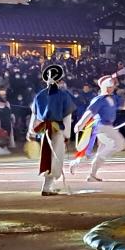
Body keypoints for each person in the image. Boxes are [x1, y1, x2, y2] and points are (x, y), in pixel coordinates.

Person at [70, 74, 125, 182]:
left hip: (107, 126)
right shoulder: (99, 99)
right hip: (101, 126)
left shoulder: (114, 98)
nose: (112, 88)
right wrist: (80, 124)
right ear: (105, 87)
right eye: (110, 86)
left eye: (112, 86)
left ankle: (89, 172)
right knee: (119, 143)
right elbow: (89, 112)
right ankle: (87, 161)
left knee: (104, 149)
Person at [30, 64, 76, 195]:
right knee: (56, 157)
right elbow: (67, 115)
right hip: (58, 129)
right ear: (59, 80)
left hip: (45, 130)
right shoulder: (64, 95)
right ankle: (46, 187)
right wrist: (67, 134)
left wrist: (32, 131)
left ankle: (49, 185)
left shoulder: (39, 96)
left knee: (47, 156)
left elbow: (35, 115)